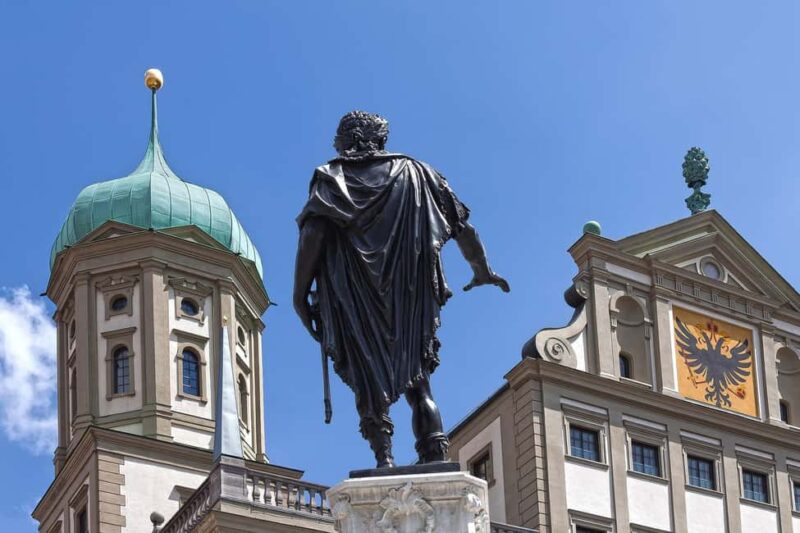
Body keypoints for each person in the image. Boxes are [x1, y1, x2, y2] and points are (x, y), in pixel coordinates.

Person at [294, 111, 509, 468]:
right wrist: (482, 269)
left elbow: (313, 236)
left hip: (353, 295)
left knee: (368, 378)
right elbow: (463, 227)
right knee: (419, 382)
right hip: (409, 295)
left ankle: (384, 461)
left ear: (351, 140)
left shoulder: (330, 178)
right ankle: (434, 455)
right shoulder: (418, 173)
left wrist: (299, 295)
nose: (335, 144)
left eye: (339, 138)